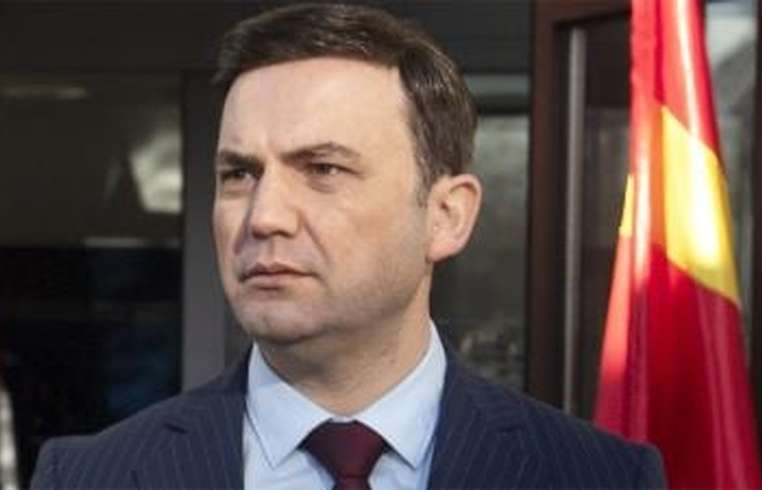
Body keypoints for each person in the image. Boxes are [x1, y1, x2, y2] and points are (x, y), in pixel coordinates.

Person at [31, 3, 665, 489]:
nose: (264, 217)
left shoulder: (599, 477)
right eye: (239, 174)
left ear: (447, 216)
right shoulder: (88, 478)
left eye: (323, 169)